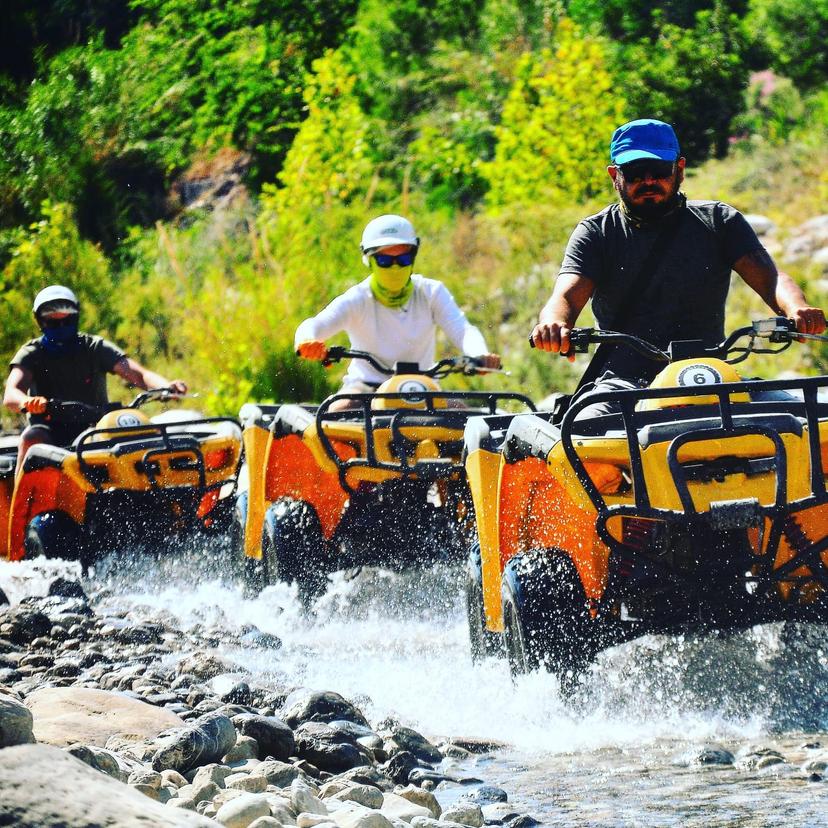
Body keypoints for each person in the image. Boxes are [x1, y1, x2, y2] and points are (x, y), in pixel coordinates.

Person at [530, 118, 826, 412]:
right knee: (586, 431)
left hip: (710, 378)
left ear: (679, 170)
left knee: (806, 420)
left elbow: (771, 278)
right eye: (634, 173)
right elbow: (565, 296)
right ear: (614, 176)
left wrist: (796, 309)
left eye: (659, 171)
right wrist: (554, 325)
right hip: (624, 385)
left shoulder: (719, 222)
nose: (648, 181)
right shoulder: (597, 233)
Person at [295, 214, 500, 409]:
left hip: (423, 388)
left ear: (413, 256)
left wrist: (479, 355)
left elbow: (463, 330)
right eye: (384, 261)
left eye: (403, 259)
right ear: (369, 260)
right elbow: (315, 324)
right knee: (336, 411)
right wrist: (307, 340)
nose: (395, 267)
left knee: (465, 420)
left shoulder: (432, 292)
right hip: (365, 390)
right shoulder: (357, 299)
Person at [4, 285, 187, 467]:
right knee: (32, 437)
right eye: (53, 322)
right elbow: (11, 394)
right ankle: (22, 496)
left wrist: (166, 387)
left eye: (66, 321)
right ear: (40, 321)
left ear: (75, 317)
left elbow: (138, 374)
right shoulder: (31, 353)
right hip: (52, 431)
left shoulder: (94, 347)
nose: (60, 326)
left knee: (144, 437)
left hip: (96, 427)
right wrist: (27, 402)